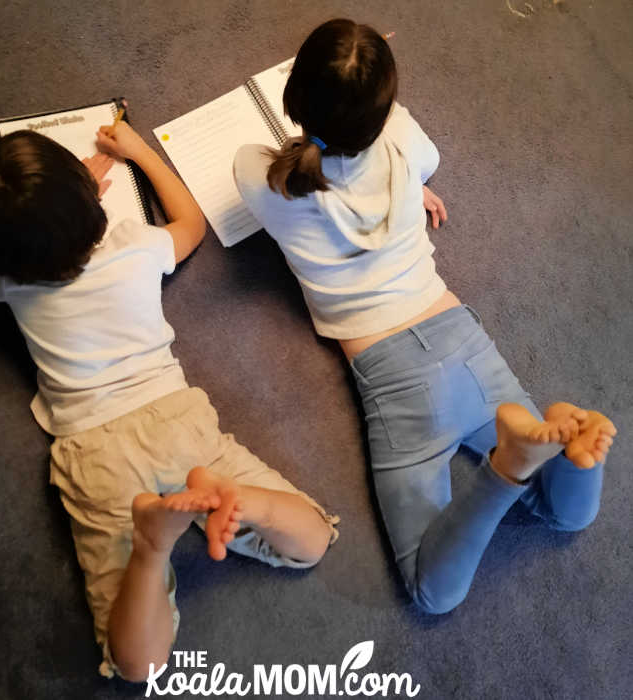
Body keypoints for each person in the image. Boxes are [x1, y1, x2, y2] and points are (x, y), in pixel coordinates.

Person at [234, 18, 616, 615]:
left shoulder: (259, 175)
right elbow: (420, 158)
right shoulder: (404, 140)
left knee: (431, 592)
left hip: (392, 378)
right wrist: (384, 110)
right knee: (563, 512)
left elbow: (289, 160)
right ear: (383, 109)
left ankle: (503, 473)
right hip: (461, 337)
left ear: (294, 97)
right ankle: (563, 451)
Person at [0, 124, 338, 681]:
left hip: (93, 449)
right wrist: (135, 152)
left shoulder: (5, 279)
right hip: (176, 420)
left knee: (141, 665)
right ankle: (238, 502)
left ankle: (149, 548)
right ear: (94, 212)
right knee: (311, 541)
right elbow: (191, 225)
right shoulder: (134, 245)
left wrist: (40, 217)